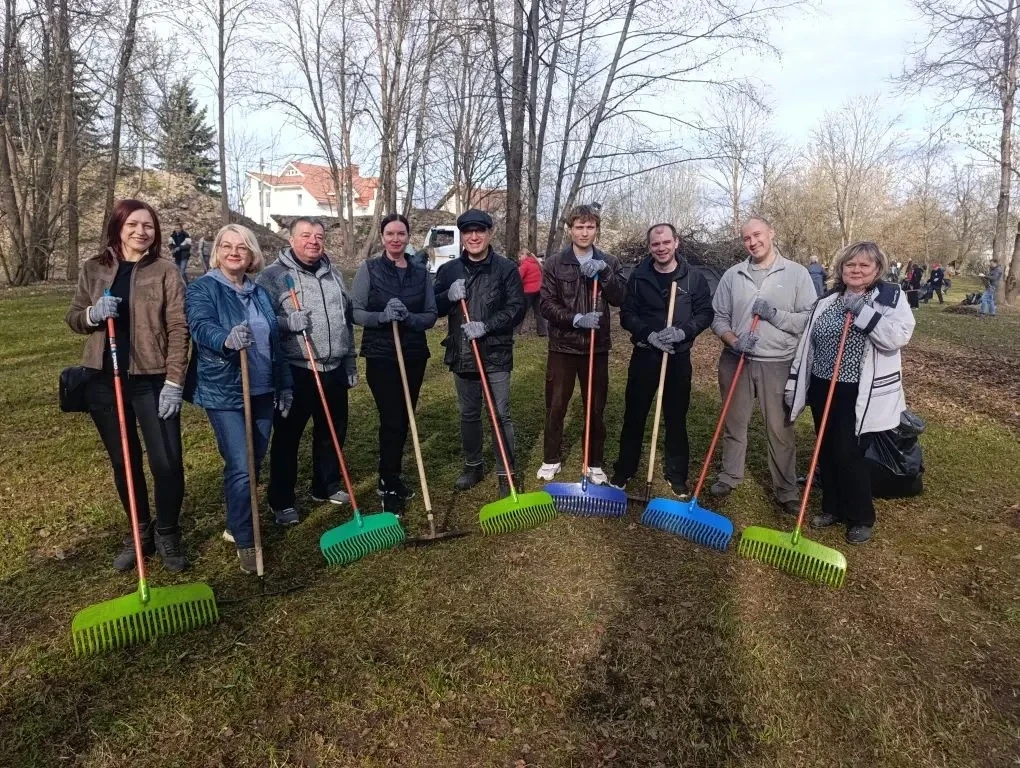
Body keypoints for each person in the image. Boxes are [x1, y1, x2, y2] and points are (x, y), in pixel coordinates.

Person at [65, 199, 190, 572]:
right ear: (118, 227)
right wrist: (92, 314)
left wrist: (174, 381)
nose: (141, 232)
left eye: (148, 226)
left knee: (167, 463)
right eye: (133, 224)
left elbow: (179, 328)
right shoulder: (94, 268)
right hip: (105, 380)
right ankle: (140, 531)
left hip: (152, 380)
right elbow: (73, 316)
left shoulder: (166, 271)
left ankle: (167, 531)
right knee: (125, 462)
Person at [785, 241, 915, 544]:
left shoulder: (890, 298)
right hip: (822, 385)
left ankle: (860, 516)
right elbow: (808, 339)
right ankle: (832, 507)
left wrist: (864, 313)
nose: (855, 270)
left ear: (877, 269)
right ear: (841, 269)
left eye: (863, 265)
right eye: (850, 265)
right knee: (825, 450)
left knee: (849, 453)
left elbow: (897, 338)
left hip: (858, 391)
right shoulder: (828, 300)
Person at [185, 224, 293, 573]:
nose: (234, 252)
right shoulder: (203, 288)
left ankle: (234, 523)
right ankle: (247, 539)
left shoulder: (258, 291)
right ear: (217, 251)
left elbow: (275, 341)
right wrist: (225, 339)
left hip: (262, 387)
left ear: (251, 255)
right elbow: (200, 326)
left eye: (242, 247)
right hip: (226, 389)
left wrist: (285, 384)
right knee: (242, 465)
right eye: (227, 246)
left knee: (253, 461)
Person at [709, 216, 817, 514]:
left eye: (757, 235)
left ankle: (786, 489)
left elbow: (809, 319)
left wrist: (773, 314)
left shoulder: (796, 273)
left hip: (778, 363)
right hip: (737, 361)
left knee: (780, 429)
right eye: (746, 238)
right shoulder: (733, 275)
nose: (753, 242)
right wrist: (733, 340)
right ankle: (729, 476)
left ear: (772, 233)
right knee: (734, 423)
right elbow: (717, 317)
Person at [256, 217, 358, 523]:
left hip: (334, 365)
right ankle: (281, 500)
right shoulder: (272, 276)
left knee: (332, 431)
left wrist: (350, 360)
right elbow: (259, 321)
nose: (313, 241)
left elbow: (346, 319)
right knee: (288, 437)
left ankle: (325, 486)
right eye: (305, 235)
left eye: (318, 236)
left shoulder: (334, 274)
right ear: (291, 239)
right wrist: (287, 323)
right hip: (297, 369)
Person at [610, 223, 714, 494]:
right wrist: (648, 334)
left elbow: (705, 314)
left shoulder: (693, 278)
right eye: (655, 244)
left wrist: (683, 332)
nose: (661, 248)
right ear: (649, 247)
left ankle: (676, 474)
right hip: (645, 354)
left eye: (666, 242)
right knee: (634, 414)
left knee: (676, 417)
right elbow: (627, 315)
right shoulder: (638, 276)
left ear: (676, 242)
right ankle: (624, 469)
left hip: (677, 358)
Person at [434, 208, 526, 495]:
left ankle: (505, 472)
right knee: (469, 413)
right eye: (468, 231)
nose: (474, 236)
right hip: (462, 352)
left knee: (500, 414)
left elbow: (517, 308)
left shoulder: (506, 268)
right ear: (462, 236)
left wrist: (486, 326)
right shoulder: (448, 271)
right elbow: (433, 308)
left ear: (490, 234)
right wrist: (447, 296)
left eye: (480, 231)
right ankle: (473, 465)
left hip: (495, 353)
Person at [351, 213, 438, 515]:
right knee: (392, 419)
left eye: (401, 234)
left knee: (406, 418)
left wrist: (409, 319)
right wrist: (382, 317)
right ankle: (388, 482)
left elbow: (430, 314)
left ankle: (393, 475)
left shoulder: (420, 273)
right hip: (381, 355)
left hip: (413, 355)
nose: (396, 239)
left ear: (408, 237)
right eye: (390, 233)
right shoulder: (370, 269)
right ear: (383, 237)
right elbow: (356, 312)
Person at [536, 204, 625, 484]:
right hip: (563, 347)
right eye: (579, 227)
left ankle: (594, 462)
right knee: (556, 405)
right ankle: (551, 458)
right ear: (570, 229)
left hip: (596, 348)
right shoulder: (554, 263)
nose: (584, 232)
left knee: (595, 405)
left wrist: (605, 275)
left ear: (596, 229)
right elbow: (546, 305)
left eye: (590, 227)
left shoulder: (609, 261)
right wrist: (575, 318)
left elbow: (620, 298)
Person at [517, 248, 547, 337]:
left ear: (525, 255)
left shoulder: (525, 265)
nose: (519, 258)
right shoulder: (536, 263)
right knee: (539, 312)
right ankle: (542, 332)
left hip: (528, 292)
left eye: (520, 256)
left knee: (521, 311)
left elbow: (518, 278)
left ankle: (515, 331)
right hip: (538, 290)